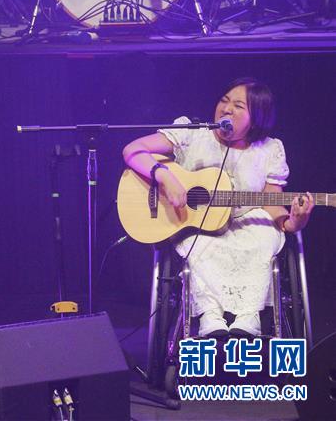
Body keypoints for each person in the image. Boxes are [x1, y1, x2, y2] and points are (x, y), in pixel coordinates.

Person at [122, 78, 314, 338]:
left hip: (246, 224)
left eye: (238, 106)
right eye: (224, 101)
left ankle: (248, 315)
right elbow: (133, 150)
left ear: (256, 118)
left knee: (264, 235)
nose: (226, 109)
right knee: (200, 243)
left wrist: (293, 223)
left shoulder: (270, 149)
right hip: (196, 224)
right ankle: (210, 315)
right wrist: (164, 176)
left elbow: (272, 202)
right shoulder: (192, 134)